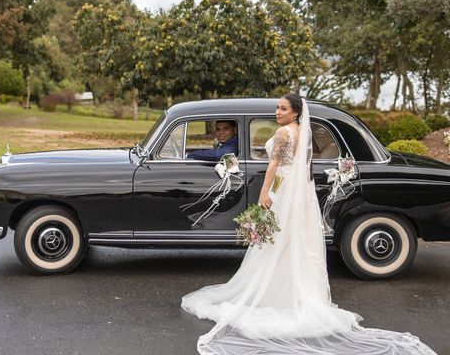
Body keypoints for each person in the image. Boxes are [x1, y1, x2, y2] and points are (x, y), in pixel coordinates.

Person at [181, 93, 436, 355]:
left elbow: (274, 164)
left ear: (294, 112)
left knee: (279, 238)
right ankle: (295, 289)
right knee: (292, 237)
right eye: (277, 108)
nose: (277, 112)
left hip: (282, 186)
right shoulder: (302, 131)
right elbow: (301, 166)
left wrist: (264, 192)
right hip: (297, 190)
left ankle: (275, 289)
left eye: (282, 108)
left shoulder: (283, 134)